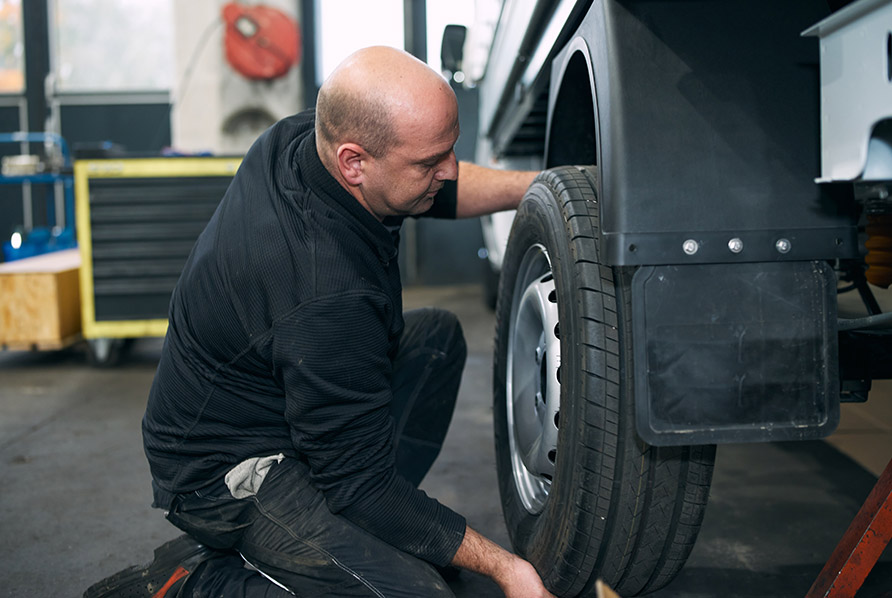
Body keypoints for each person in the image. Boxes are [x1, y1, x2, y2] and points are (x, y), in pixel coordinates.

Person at [84, 46, 550, 598]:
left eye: (447, 152)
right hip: (225, 470)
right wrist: (506, 567)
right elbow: (362, 484)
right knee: (418, 593)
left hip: (285, 399)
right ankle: (195, 581)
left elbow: (440, 189)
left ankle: (349, 544)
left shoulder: (304, 137)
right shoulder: (324, 291)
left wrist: (538, 185)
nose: (447, 171)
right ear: (354, 162)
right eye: (431, 164)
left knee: (436, 340)